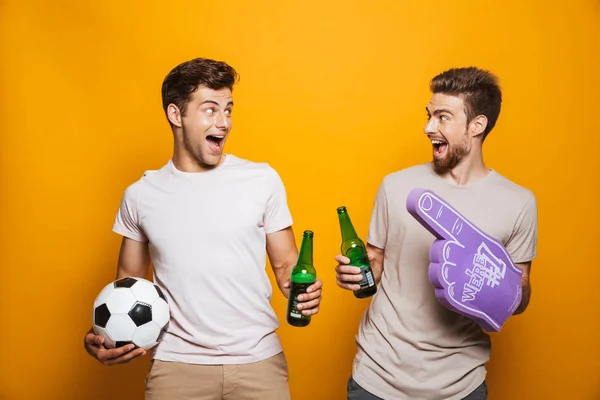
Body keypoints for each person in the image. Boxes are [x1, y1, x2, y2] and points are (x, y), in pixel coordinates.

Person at [84, 57, 323, 400]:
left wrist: (304, 287)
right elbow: (128, 285)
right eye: (210, 110)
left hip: (258, 362)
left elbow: (287, 266)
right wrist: (101, 335)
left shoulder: (262, 179)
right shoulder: (141, 195)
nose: (223, 122)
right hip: (177, 368)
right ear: (176, 115)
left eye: (228, 109)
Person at [335, 67, 538, 400]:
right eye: (429, 116)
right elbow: (375, 261)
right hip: (377, 377)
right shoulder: (396, 185)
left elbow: (522, 293)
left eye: (443, 117)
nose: (429, 128)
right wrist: (356, 273)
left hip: (460, 385)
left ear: (477, 125)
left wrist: (493, 283)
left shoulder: (518, 202)